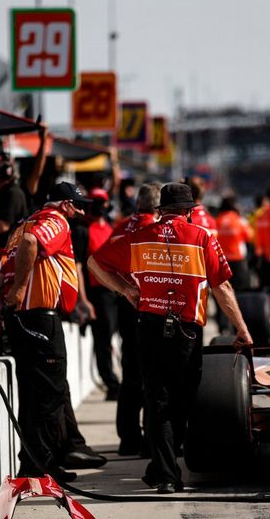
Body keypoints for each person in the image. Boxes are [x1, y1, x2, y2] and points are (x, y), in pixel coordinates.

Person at [88, 183, 253, 494]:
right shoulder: (202, 236)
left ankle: (162, 471)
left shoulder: (138, 237)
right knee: (182, 400)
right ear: (190, 212)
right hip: (186, 330)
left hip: (149, 326)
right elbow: (222, 288)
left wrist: (125, 290)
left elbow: (95, 263)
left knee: (157, 400)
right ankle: (166, 469)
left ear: (161, 211)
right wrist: (241, 328)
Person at [0, 182, 106, 481]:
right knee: (49, 393)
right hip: (39, 318)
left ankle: (36, 464)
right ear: (64, 204)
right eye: (78, 205)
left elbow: (1, 264)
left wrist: (4, 302)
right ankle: (40, 467)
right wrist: (19, 290)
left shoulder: (24, 222)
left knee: (33, 394)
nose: (82, 211)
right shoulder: (54, 221)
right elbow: (32, 243)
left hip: (22, 318)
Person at [106, 183, 161, 456]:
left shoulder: (122, 226)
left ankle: (128, 438)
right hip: (149, 304)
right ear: (157, 206)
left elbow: (102, 261)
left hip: (126, 304)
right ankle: (153, 440)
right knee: (152, 374)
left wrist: (120, 288)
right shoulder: (155, 228)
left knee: (130, 374)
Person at [81, 188, 121, 400]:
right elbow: (80, 266)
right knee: (103, 341)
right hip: (98, 292)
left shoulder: (112, 229)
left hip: (117, 291)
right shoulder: (85, 231)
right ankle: (111, 383)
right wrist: (84, 300)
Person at [215, 194, 253, 292]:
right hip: (238, 261)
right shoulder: (239, 220)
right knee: (240, 291)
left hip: (221, 262)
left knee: (224, 291)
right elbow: (250, 237)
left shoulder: (216, 221)